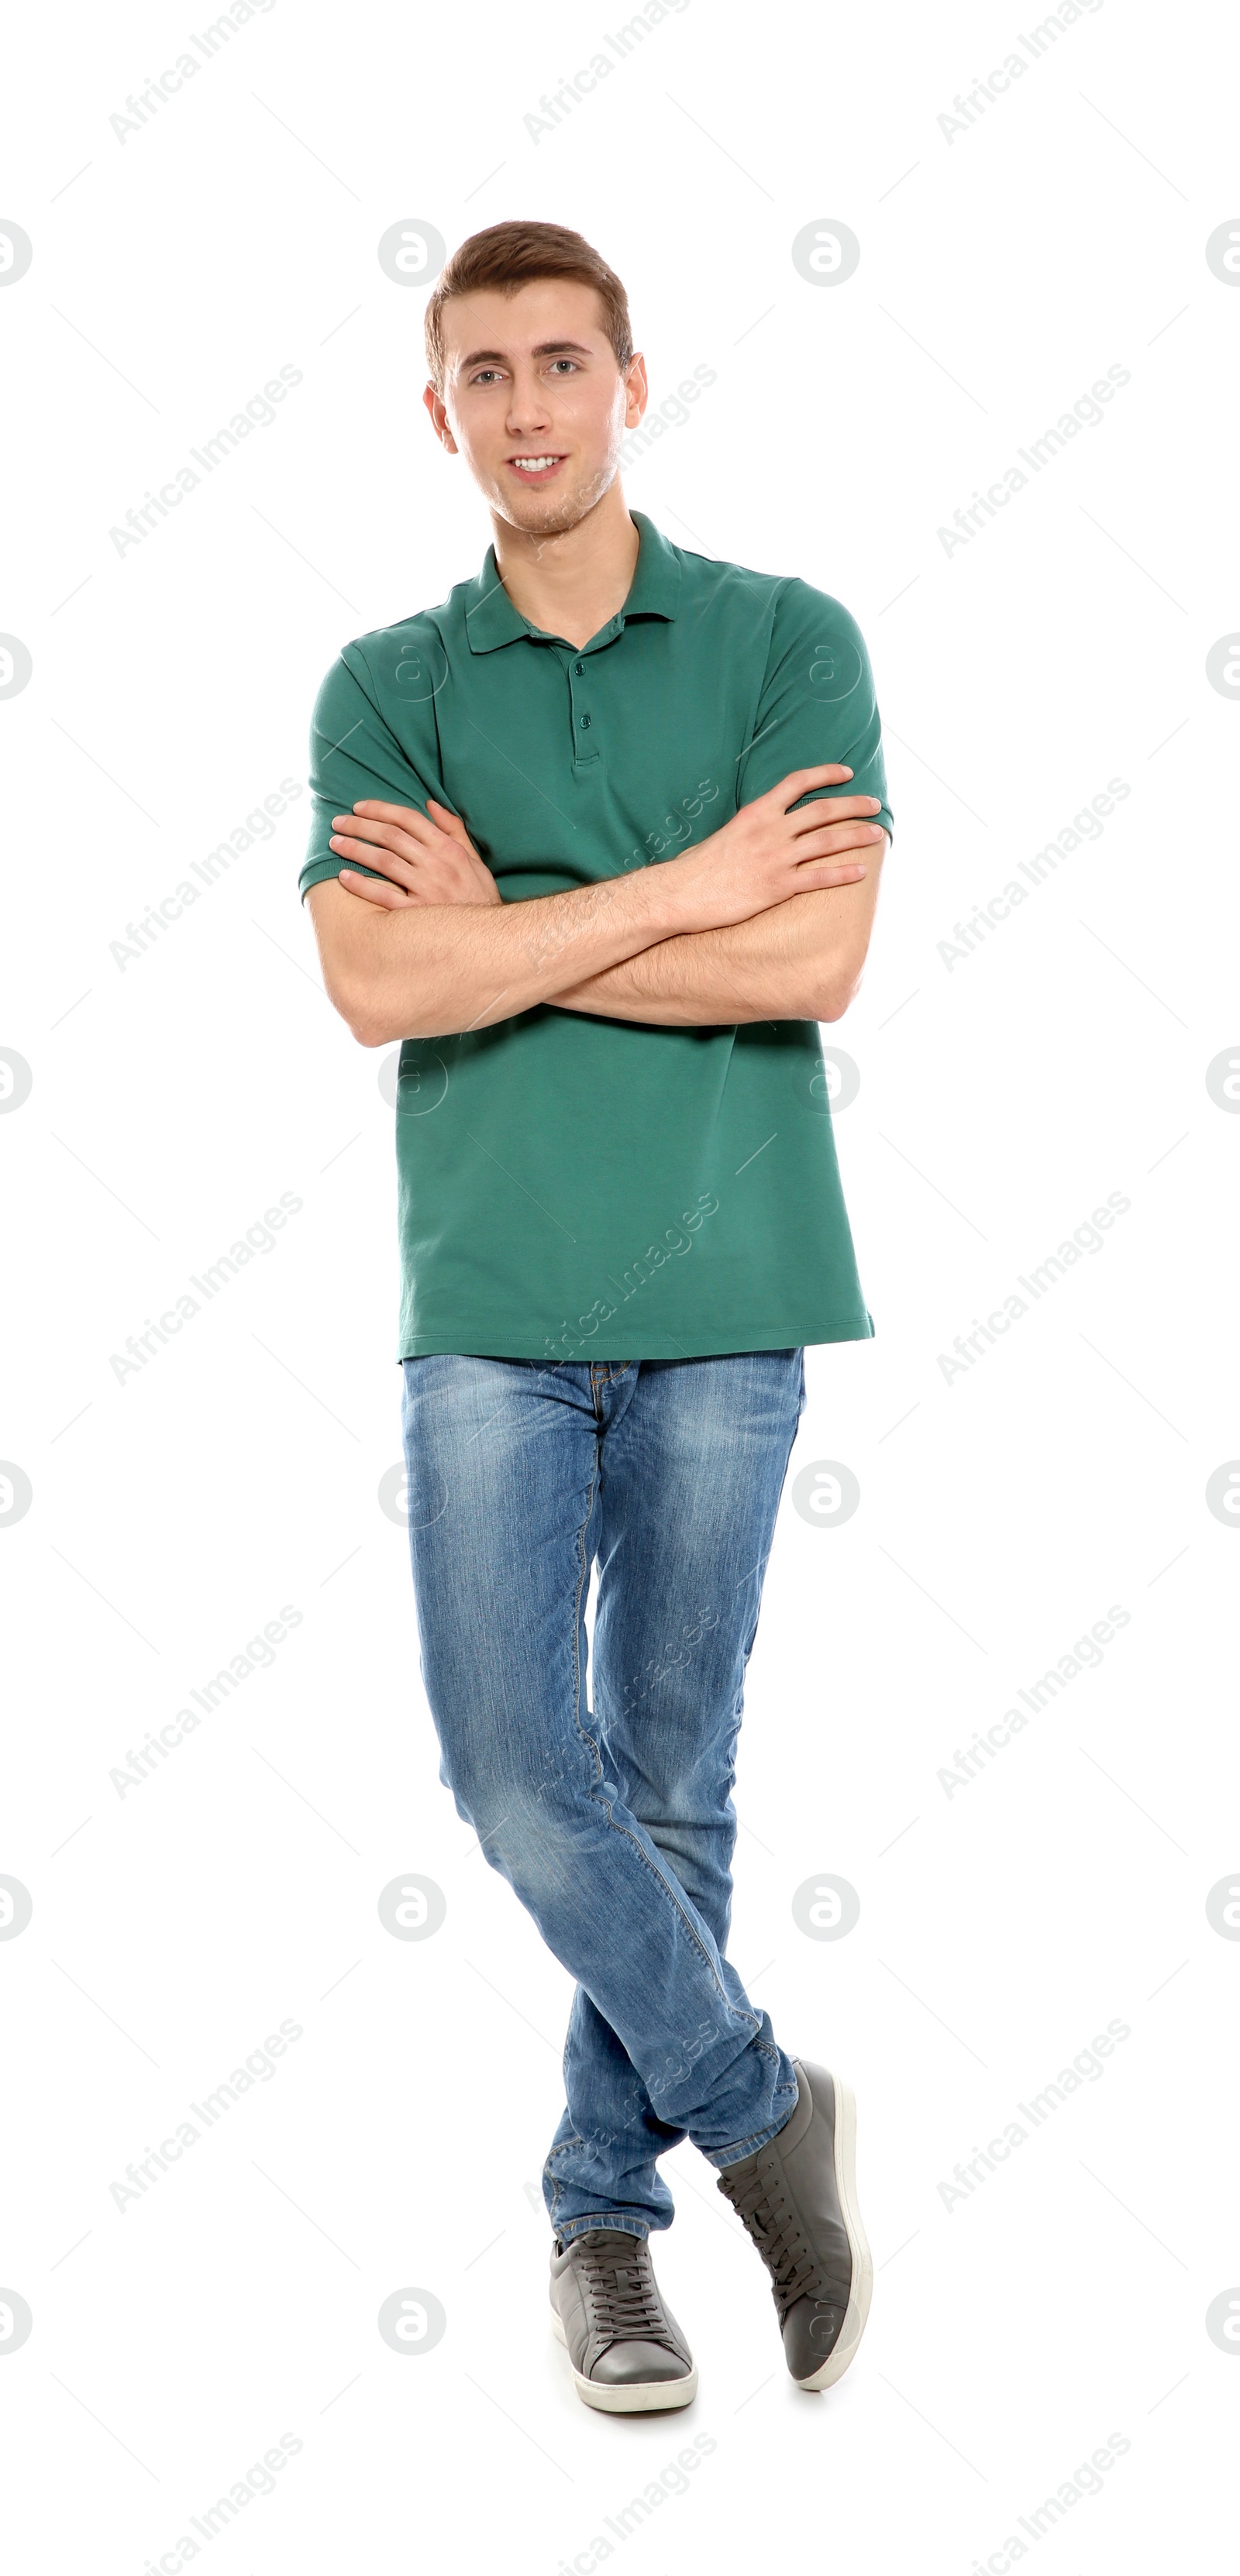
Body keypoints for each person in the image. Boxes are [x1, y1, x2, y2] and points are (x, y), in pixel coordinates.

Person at [301, 220, 892, 2413]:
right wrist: (675, 890)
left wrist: (523, 927)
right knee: (513, 1768)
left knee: (666, 1776)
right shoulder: (389, 684)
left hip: (736, 1284)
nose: (528, 406)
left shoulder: (782, 643)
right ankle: (760, 2117)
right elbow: (379, 985)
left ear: (632, 382)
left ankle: (599, 2222)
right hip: (488, 1294)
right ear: (436, 407)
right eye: (487, 373)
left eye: (565, 363)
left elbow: (808, 968)